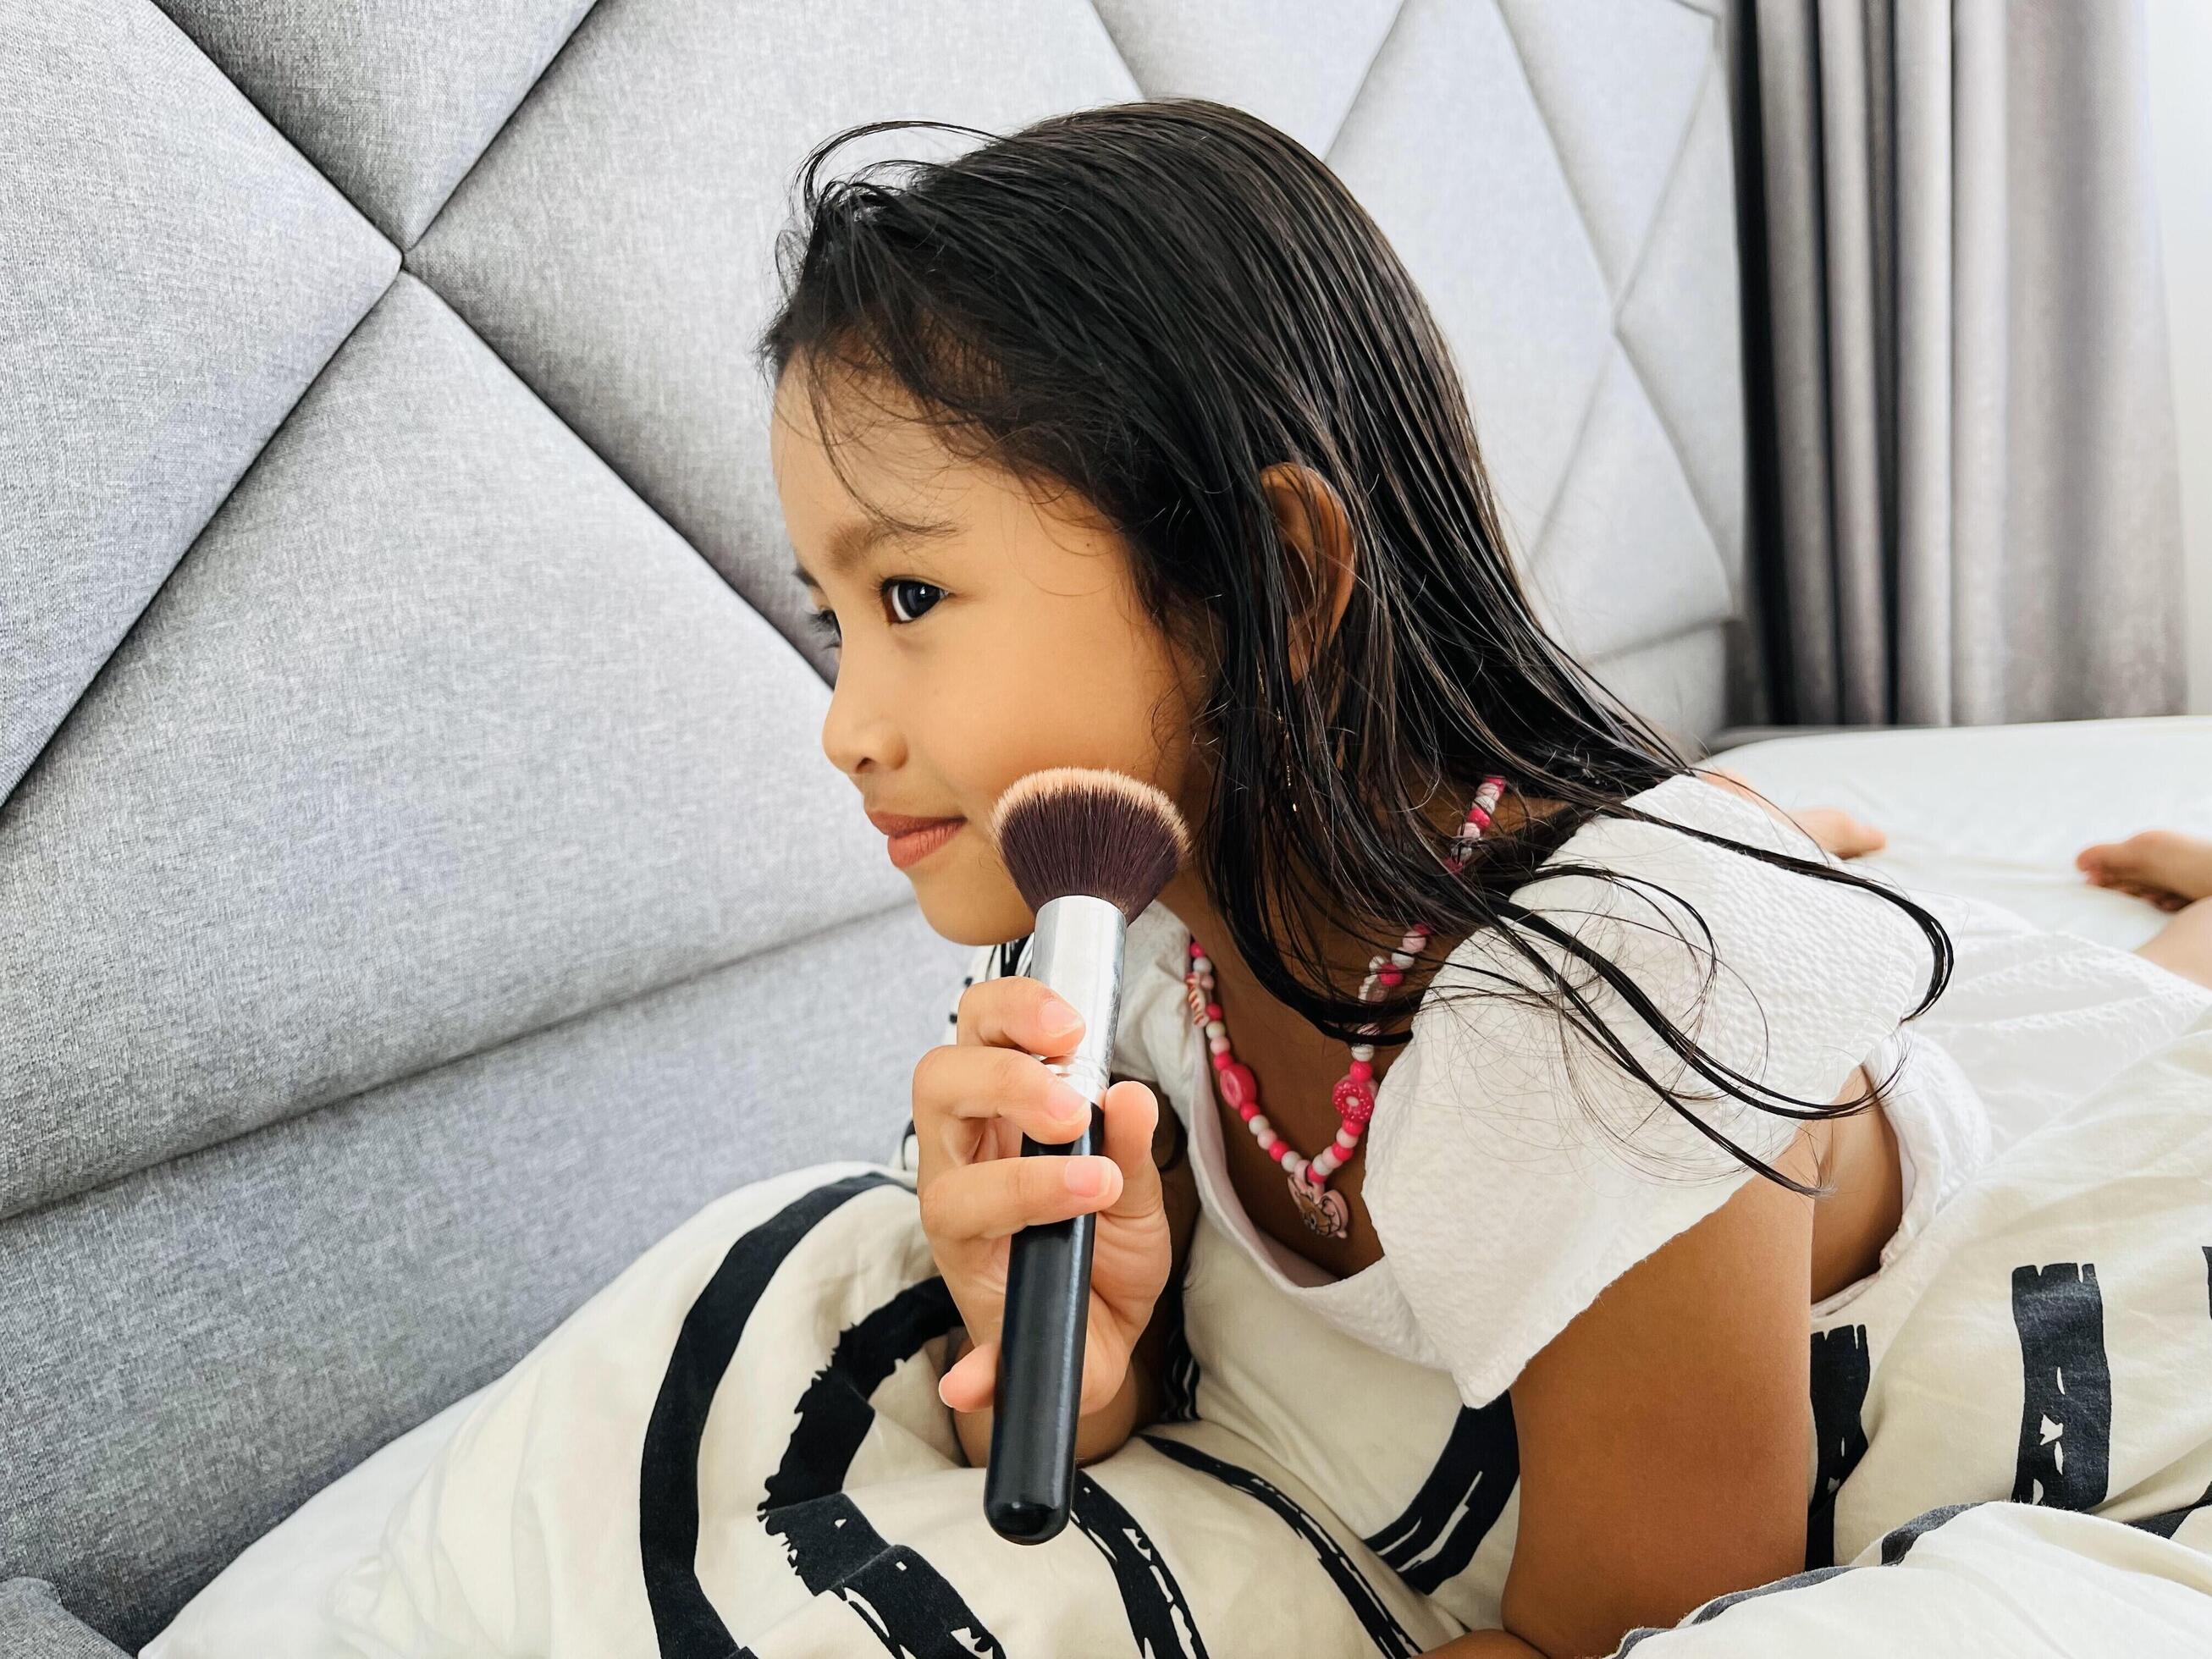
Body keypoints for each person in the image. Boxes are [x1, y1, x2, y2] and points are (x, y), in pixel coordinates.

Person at [764, 101, 2212, 1657]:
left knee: (2140, 1025)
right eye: (836, 621)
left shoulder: (1605, 1013)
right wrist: (1066, 1353)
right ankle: (1794, 838)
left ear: (1273, 578)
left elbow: (1625, 1627)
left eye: (912, 592)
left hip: (2056, 1214)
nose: (845, 729)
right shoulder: (1151, 996)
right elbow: (1077, 1446)